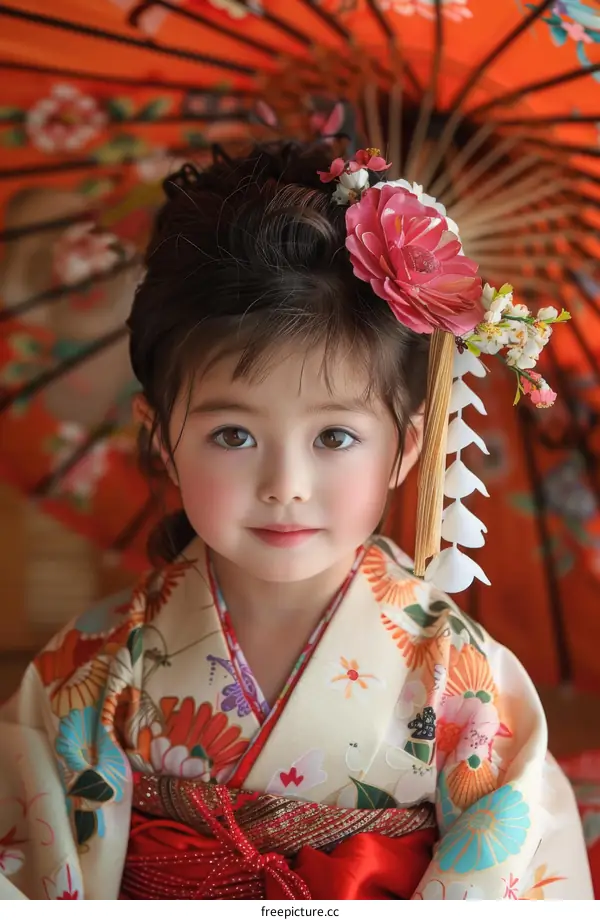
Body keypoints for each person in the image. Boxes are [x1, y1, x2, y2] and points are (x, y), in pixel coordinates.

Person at [0, 143, 592, 900]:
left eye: (334, 438)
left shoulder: (462, 681)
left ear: (407, 447)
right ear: (161, 439)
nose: (285, 486)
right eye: (233, 436)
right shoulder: (90, 671)